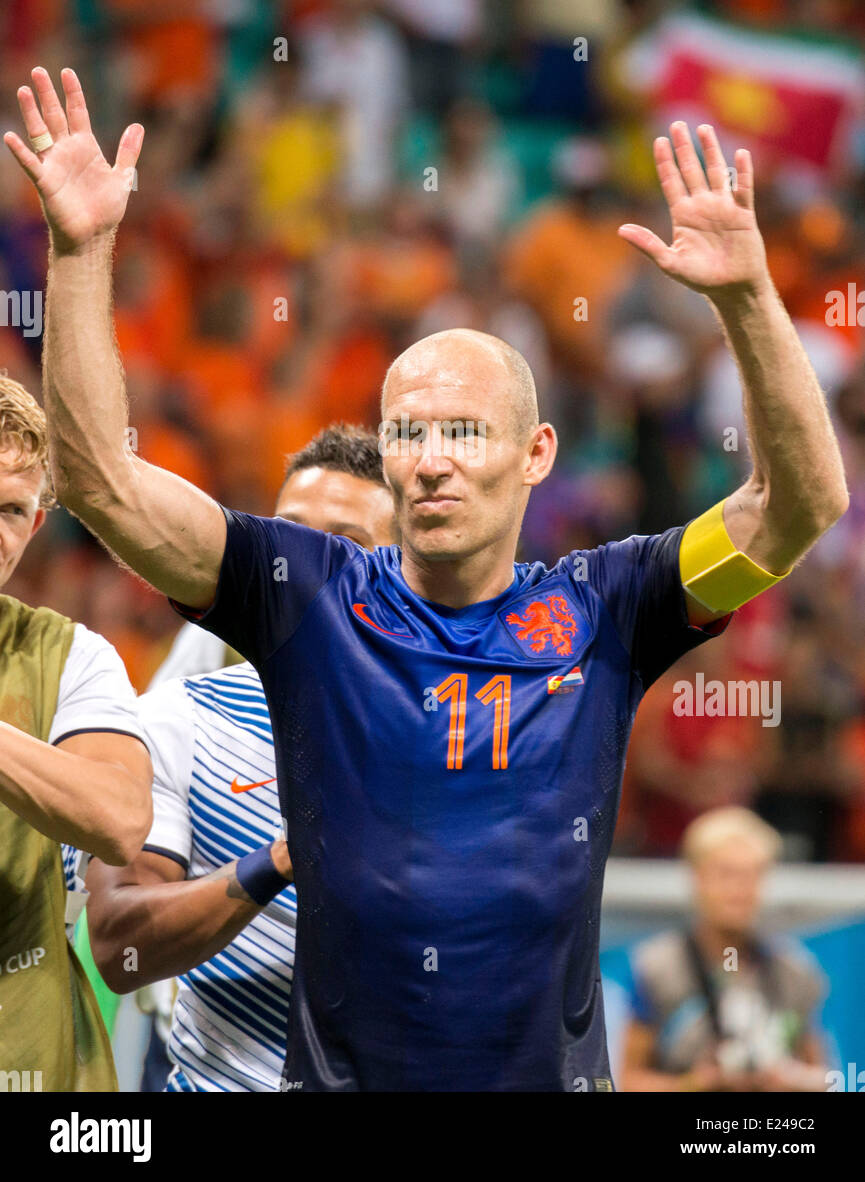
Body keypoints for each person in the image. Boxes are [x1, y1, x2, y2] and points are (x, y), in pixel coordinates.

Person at [5, 67, 848, 1091]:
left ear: (536, 452)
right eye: (409, 432)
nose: (431, 458)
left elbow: (798, 506)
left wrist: (750, 300)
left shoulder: (610, 605)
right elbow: (98, 484)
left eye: (463, 431)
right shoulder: (303, 592)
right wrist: (83, 251)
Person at [84, 425, 396, 1092]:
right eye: (288, 536)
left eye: (344, 544)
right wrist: (282, 859)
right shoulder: (181, 715)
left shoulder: (474, 731)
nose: (306, 563)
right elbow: (116, 944)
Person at [0, 372, 152, 1091]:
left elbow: (120, 821)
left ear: (34, 528)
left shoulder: (71, 657)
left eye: (9, 511)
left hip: (38, 1061)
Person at [619, 808, 830, 1092]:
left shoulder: (794, 970)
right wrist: (694, 1084)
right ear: (697, 878)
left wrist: (789, 1079)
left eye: (750, 875)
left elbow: (826, 1080)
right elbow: (625, 1082)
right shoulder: (657, 967)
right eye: (725, 874)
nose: (738, 890)